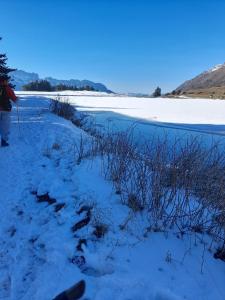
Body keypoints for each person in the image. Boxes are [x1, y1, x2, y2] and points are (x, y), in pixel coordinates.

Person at [0, 77, 18, 147]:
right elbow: (14, 98)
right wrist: (17, 100)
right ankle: (3, 142)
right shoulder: (8, 88)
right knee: (5, 126)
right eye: (7, 81)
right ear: (3, 81)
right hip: (5, 110)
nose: (7, 82)